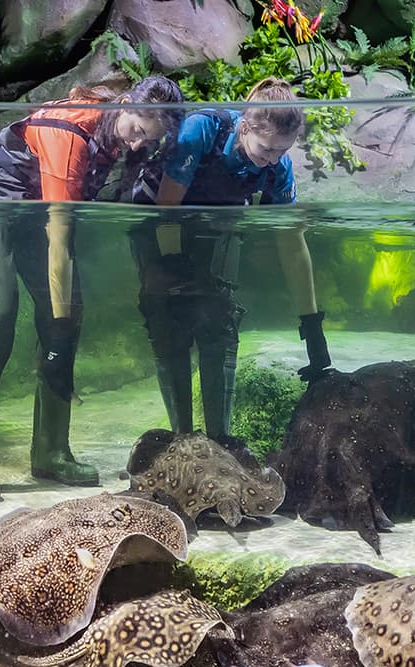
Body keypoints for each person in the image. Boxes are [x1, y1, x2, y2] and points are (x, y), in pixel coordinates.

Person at [0, 76, 185, 502]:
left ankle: (51, 450)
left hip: (30, 217)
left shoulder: (123, 138)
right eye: (135, 132)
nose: (136, 145)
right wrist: (55, 333)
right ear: (123, 106)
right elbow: (59, 239)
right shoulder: (68, 132)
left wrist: (62, 325)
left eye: (148, 139)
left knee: (70, 309)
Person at [129, 76, 331, 450]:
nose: (271, 159)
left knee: (219, 326)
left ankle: (220, 443)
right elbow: (167, 206)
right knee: (168, 324)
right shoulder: (203, 128)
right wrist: (174, 267)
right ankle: (181, 442)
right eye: (266, 149)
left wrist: (312, 326)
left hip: (218, 229)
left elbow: (291, 241)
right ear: (245, 126)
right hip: (159, 222)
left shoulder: (278, 167)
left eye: (280, 152)